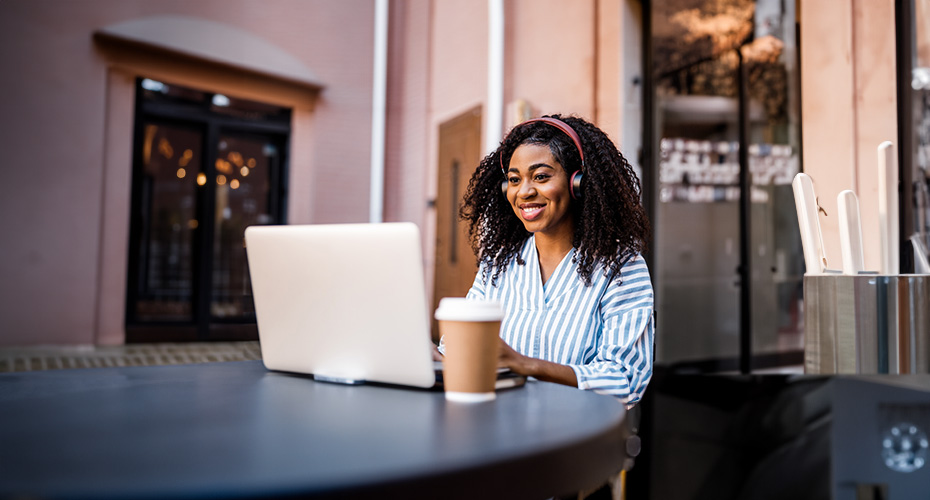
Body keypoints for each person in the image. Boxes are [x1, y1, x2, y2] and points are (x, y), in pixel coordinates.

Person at [445, 114, 654, 406]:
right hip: (498, 434)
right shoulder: (498, 264)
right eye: (515, 180)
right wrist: (435, 355)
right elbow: (459, 347)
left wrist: (528, 365)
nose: (525, 192)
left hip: (574, 442)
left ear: (577, 182)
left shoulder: (620, 267)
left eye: (541, 176)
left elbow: (624, 380)